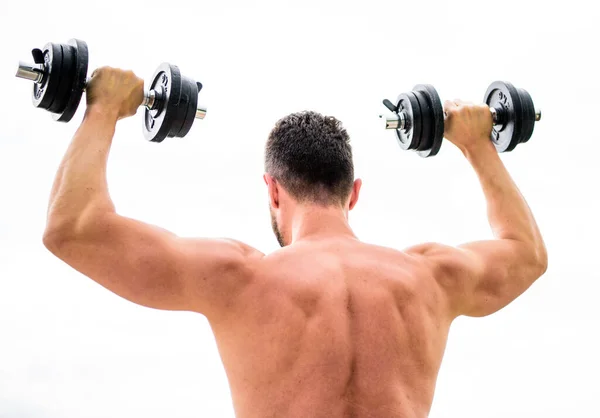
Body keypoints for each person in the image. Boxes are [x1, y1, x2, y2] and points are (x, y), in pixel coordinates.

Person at [42, 67, 548, 418]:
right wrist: (479, 146)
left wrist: (103, 107)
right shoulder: (430, 277)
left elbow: (74, 228)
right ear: (353, 193)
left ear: (273, 190)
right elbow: (526, 253)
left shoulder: (240, 277)